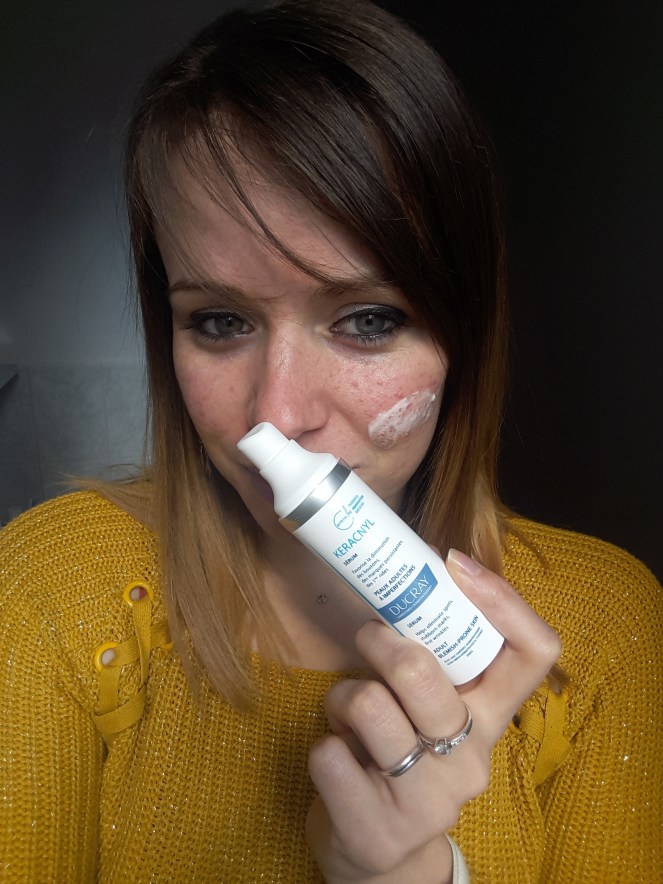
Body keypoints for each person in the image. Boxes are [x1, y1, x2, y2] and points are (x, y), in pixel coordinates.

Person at [1, 1, 661, 880]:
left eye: (367, 320)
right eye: (220, 320)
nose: (276, 416)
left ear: (462, 336)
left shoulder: (603, 630)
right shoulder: (53, 589)